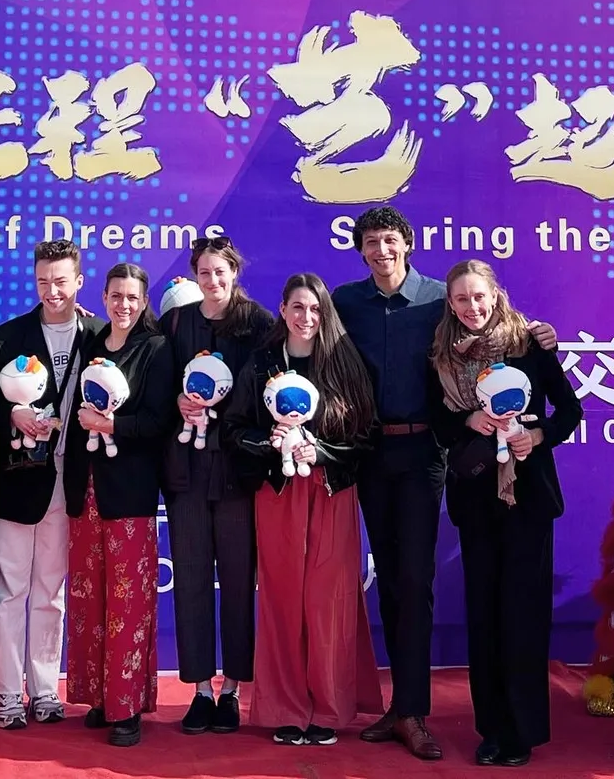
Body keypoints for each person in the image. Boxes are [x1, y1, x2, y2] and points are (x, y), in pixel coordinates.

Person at [331, 206, 557, 761]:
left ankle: (414, 712)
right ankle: (398, 705)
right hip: (371, 452)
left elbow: (497, 326)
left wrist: (537, 332)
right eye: (371, 242)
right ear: (360, 250)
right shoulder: (346, 303)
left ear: (407, 244)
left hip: (426, 453)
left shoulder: (442, 298)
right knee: (387, 576)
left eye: (390, 240)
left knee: (416, 579)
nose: (381, 250)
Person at [428, 260, 582, 768]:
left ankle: (523, 730)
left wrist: (536, 436)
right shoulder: (441, 357)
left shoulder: (531, 345)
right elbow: (439, 425)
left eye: (479, 297)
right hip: (476, 502)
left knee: (523, 616)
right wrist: (469, 418)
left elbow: (571, 411)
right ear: (450, 304)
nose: (472, 308)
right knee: (485, 617)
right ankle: (491, 728)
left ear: (495, 296)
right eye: (462, 300)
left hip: (529, 501)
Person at [223, 273, 383, 747]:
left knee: (327, 601)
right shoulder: (262, 364)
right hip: (277, 495)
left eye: (314, 309)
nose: (306, 318)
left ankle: (329, 711)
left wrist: (323, 452)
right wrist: (268, 445)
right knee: (283, 600)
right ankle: (286, 709)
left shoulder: (344, 361)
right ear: (282, 310)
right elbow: (234, 431)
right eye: (297, 307)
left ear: (325, 312)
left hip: (332, 493)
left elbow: (365, 438)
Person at [0, 239, 107, 730]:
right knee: (8, 588)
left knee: (50, 591)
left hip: (71, 480)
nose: (52, 291)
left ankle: (46, 689)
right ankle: (8, 693)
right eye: (42, 281)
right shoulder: (9, 336)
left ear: (79, 280)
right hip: (18, 480)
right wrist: (13, 412)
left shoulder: (98, 334)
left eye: (61, 281)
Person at [160, 236, 275, 735]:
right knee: (188, 582)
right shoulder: (177, 322)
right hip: (185, 473)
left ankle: (232, 689)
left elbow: (275, 389)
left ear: (234, 271)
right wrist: (177, 406)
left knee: (237, 583)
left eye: (220, 272)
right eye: (204, 273)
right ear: (195, 275)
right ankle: (200, 690)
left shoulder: (260, 324)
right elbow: (155, 385)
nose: (213, 281)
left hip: (236, 475)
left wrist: (228, 408)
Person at [63, 261, 174, 748]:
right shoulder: (90, 342)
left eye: (132, 296)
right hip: (85, 489)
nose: (123, 304)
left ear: (144, 300)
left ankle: (128, 707)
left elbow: (158, 421)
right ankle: (100, 697)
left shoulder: (155, 349)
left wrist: (112, 427)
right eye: (115, 296)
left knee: (128, 604)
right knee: (90, 598)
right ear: (103, 298)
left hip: (130, 493)